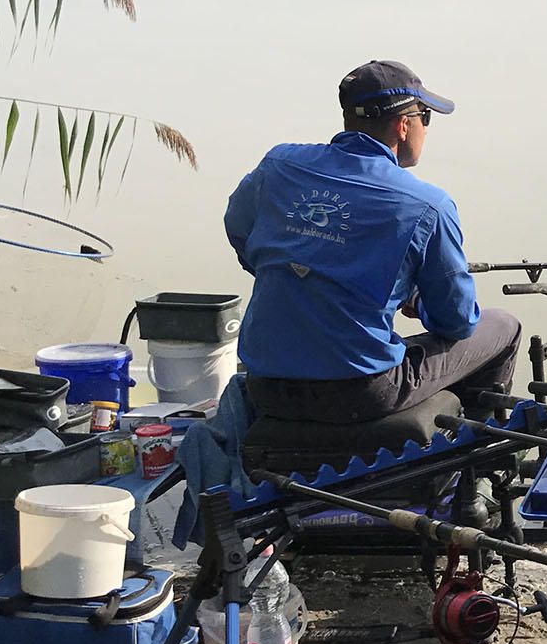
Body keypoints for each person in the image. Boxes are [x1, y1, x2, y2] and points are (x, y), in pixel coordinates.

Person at [223, 59, 521, 425]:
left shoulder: (278, 165)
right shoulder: (428, 205)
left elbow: (239, 232)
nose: (426, 129)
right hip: (359, 393)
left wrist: (301, 278)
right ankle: (472, 453)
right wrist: (419, 303)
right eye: (425, 117)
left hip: (266, 387)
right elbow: (456, 322)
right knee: (503, 326)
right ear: (403, 125)